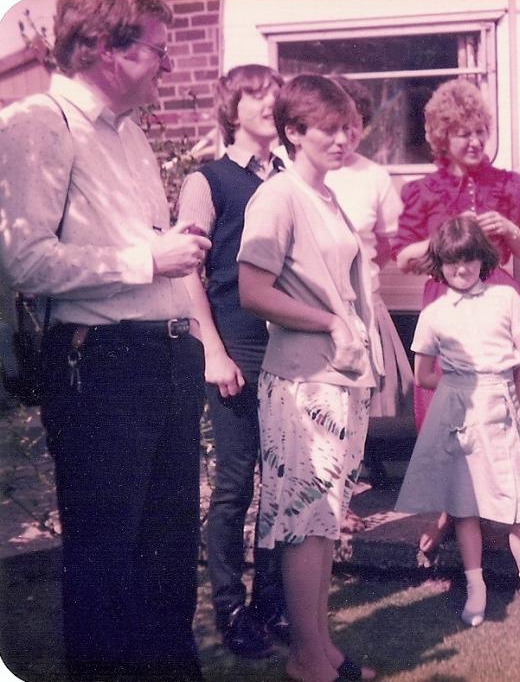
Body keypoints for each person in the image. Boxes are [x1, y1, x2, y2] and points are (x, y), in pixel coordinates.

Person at [0, 0, 211, 680]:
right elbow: (23, 259)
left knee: (169, 553)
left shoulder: (128, 133)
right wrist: (148, 260)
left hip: (168, 355)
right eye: (155, 49)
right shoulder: (39, 123)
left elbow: (124, 243)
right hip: (104, 365)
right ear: (101, 50)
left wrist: (166, 249)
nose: (166, 65)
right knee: (106, 559)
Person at [237, 74, 381, 682]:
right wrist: (329, 321)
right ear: (294, 132)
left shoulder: (326, 195)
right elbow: (251, 290)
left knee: (324, 521)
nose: (344, 138)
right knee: (303, 522)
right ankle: (306, 660)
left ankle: (320, 650)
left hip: (339, 379)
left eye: (349, 126)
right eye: (328, 128)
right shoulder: (278, 195)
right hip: (302, 383)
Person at [393, 77, 520, 555]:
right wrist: (446, 240)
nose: (473, 141)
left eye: (479, 132)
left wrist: (508, 226)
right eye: (462, 133)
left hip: (499, 296)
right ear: (441, 138)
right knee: (449, 405)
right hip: (444, 301)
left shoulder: (505, 182)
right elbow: (401, 258)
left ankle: (504, 502)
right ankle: (451, 509)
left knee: (510, 397)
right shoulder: (423, 190)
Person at [394, 217, 520, 629]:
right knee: (466, 505)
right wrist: (461, 384)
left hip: (502, 406)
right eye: (451, 263)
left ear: (483, 259)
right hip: (459, 412)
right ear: (438, 264)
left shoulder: (504, 298)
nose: (461, 270)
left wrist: (510, 393)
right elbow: (423, 374)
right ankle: (475, 586)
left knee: (518, 500)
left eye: (469, 260)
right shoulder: (434, 312)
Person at [176, 63, 287, 658]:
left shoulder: (291, 178)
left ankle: (272, 603)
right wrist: (212, 350)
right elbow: (187, 268)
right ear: (232, 107)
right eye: (257, 94)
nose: (272, 101)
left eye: (276, 93)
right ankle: (230, 607)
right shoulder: (209, 180)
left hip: (288, 348)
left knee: (284, 482)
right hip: (234, 346)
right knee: (236, 483)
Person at [325, 76, 412, 422]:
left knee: (367, 411)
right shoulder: (294, 173)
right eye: (337, 125)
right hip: (314, 310)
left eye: (355, 125)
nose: (346, 136)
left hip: (363, 308)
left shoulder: (374, 176)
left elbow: (387, 244)